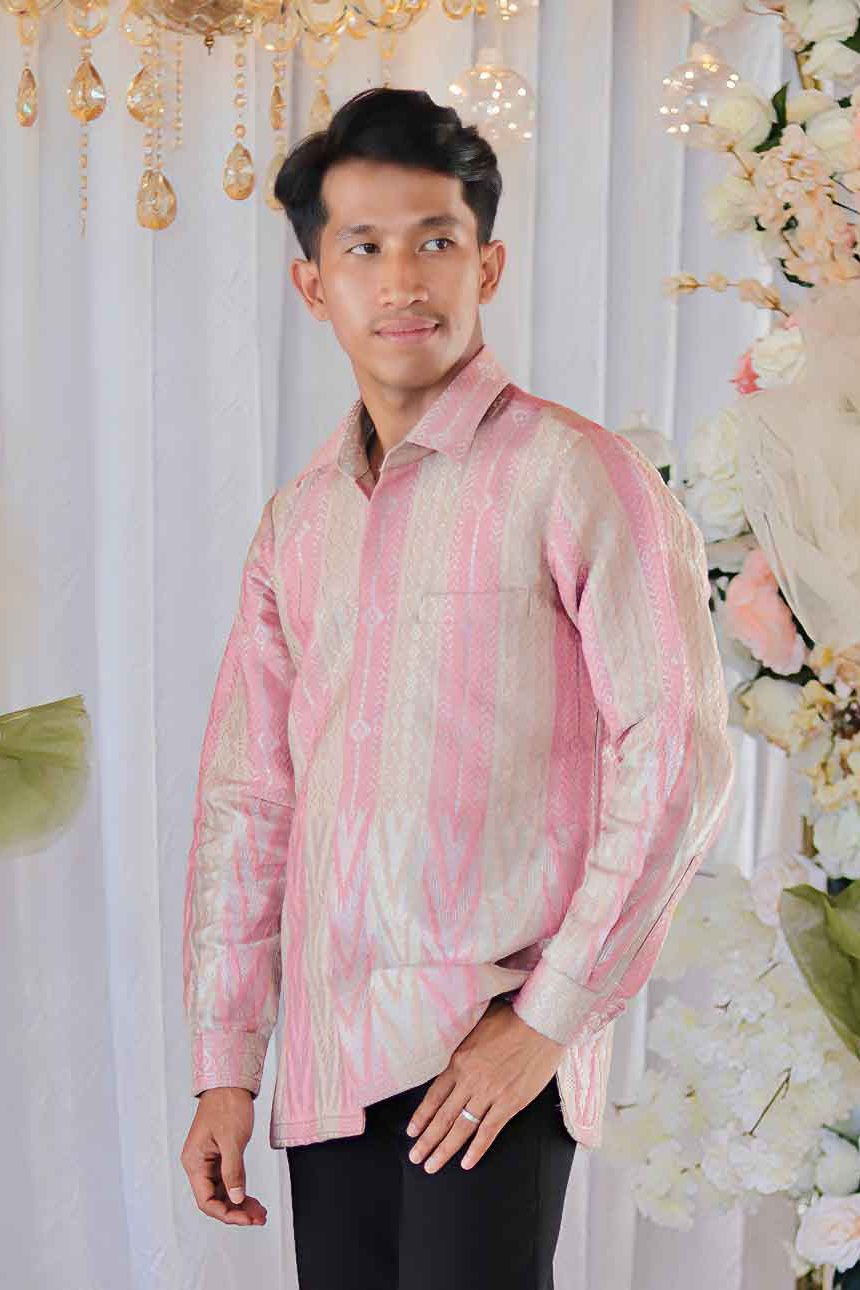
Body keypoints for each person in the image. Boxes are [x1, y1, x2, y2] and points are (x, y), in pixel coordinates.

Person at [179, 86, 735, 1289]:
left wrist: (547, 1020)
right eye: (362, 248)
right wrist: (225, 1066)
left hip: (485, 1049)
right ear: (311, 285)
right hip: (327, 1062)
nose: (402, 281)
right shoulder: (296, 524)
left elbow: (677, 752)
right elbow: (248, 802)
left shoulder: (576, 475)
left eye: (434, 241)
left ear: (486, 264)